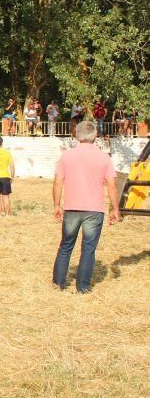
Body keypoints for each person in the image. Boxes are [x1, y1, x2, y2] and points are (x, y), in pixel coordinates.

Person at [52, 120, 120, 293]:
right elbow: (112, 185)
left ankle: (58, 283)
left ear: (76, 134)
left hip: (72, 207)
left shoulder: (67, 156)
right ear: (95, 135)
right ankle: (82, 287)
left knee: (66, 245)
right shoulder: (104, 157)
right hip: (94, 209)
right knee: (88, 249)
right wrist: (115, 209)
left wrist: (57, 205)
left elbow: (58, 182)